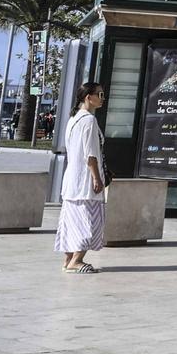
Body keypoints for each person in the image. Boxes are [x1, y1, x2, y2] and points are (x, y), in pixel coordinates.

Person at [56, 82, 108, 275]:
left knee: (72, 222)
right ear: (89, 97)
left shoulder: (74, 119)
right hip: (85, 181)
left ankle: (69, 259)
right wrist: (97, 178)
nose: (102, 98)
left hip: (72, 180)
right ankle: (76, 261)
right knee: (89, 222)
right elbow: (91, 154)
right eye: (100, 95)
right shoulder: (88, 120)